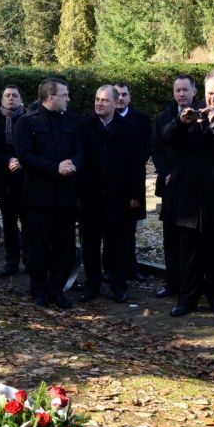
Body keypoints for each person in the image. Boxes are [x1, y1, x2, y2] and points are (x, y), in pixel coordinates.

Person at [161, 69, 214, 318]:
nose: (213, 99)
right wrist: (181, 123)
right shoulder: (193, 111)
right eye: (209, 94)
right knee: (188, 251)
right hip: (190, 197)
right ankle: (187, 299)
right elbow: (167, 139)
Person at [14, 78, 82, 309]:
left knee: (64, 246)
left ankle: (57, 290)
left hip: (65, 196)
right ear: (50, 97)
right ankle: (39, 290)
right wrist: (55, 167)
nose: (68, 98)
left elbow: (81, 152)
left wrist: (73, 164)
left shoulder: (72, 121)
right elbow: (25, 156)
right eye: (64, 94)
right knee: (38, 246)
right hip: (38, 197)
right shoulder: (26, 122)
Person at [77, 85, 143, 304]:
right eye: (97, 99)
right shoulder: (84, 127)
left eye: (105, 100)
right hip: (91, 195)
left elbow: (136, 164)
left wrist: (135, 195)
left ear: (116, 103)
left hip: (119, 196)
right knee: (90, 244)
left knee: (117, 244)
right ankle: (92, 284)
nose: (99, 103)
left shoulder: (130, 129)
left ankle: (118, 285)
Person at [152, 75, 196, 300]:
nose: (181, 94)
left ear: (194, 91)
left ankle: (191, 284)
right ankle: (172, 283)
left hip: (193, 185)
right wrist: (166, 173)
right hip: (169, 184)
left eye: (185, 90)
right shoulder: (163, 117)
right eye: (177, 90)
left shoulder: (201, 114)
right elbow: (156, 149)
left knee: (190, 239)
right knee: (170, 237)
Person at [0, 84, 28, 276]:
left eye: (15, 95)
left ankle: (30, 260)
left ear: (21, 100)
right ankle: (11, 261)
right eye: (7, 95)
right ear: (1, 99)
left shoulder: (29, 120)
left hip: (26, 179)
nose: (11, 98)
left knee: (28, 223)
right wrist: (7, 160)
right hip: (4, 180)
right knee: (9, 224)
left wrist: (21, 161)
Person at [113, 81, 152, 283]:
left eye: (124, 94)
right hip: (109, 182)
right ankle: (112, 268)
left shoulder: (141, 120)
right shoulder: (103, 117)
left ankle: (131, 266)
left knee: (129, 229)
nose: (120, 98)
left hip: (132, 180)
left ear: (130, 97)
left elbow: (146, 148)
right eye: (117, 94)